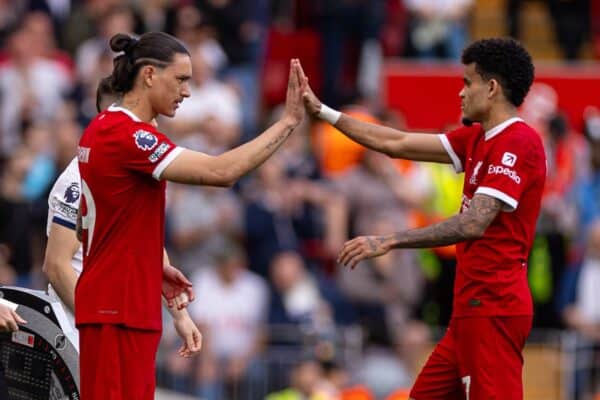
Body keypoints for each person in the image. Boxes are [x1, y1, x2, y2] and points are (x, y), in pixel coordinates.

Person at [300, 37, 545, 399]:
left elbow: (473, 224)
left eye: (467, 82)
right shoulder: (477, 137)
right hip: (469, 309)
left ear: (491, 88)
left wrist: (390, 240)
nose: (460, 93)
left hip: (494, 308)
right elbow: (395, 142)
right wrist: (323, 111)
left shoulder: (517, 143)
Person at [76, 31, 306, 399]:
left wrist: (154, 260)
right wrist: (287, 123)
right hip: (116, 307)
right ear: (149, 74)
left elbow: (105, 222)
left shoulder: (107, 129)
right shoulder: (128, 135)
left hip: (124, 303)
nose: (187, 92)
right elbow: (221, 172)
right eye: (181, 79)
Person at [43, 78, 201, 354]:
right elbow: (56, 265)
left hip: (124, 323)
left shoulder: (135, 177)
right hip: (83, 331)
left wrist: (180, 315)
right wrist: (96, 329)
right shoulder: (76, 180)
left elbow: (148, 245)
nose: (152, 127)